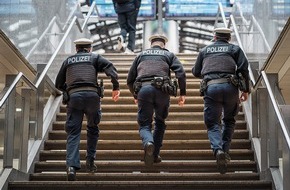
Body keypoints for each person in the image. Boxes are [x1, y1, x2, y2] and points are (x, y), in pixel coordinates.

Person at [55, 38, 120, 181]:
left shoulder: (68, 60)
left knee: (73, 132)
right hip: (92, 97)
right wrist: (116, 87)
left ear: (76, 48)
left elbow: (58, 83)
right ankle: (90, 162)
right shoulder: (95, 57)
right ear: (89, 48)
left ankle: (71, 167)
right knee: (92, 128)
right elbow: (112, 70)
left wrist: (68, 90)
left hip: (74, 98)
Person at [192, 27, 250, 174]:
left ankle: (217, 150)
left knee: (212, 123)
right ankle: (225, 151)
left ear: (215, 37)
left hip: (211, 88)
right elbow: (244, 68)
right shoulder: (234, 49)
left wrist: (210, 74)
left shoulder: (204, 50)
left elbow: (195, 71)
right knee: (229, 120)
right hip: (231, 87)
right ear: (229, 38)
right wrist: (246, 89)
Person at [127, 34, 186, 166]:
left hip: (144, 90)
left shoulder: (140, 55)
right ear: (163, 44)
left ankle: (148, 142)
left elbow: (129, 80)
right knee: (160, 122)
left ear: (151, 44)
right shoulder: (168, 55)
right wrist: (182, 93)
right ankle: (155, 154)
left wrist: (135, 95)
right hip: (163, 92)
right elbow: (181, 73)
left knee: (144, 124)